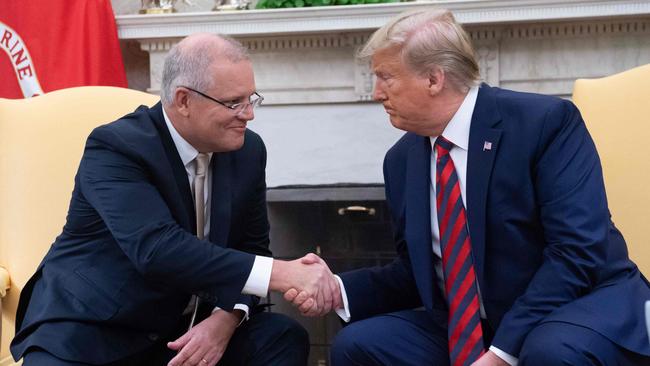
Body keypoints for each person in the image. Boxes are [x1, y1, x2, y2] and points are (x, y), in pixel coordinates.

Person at [287, 8, 650, 366]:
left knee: (548, 351)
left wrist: (501, 352)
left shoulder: (544, 123)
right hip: (481, 320)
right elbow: (417, 272)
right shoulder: (401, 160)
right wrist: (337, 289)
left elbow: (576, 252)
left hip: (580, 305)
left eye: (386, 77)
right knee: (359, 344)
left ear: (433, 79)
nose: (376, 93)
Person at [11, 33, 339, 366]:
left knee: (280, 337)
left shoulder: (247, 151)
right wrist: (285, 275)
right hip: (92, 330)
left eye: (251, 98)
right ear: (183, 100)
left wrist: (226, 320)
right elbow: (157, 249)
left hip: (181, 334)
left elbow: (251, 247)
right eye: (233, 103)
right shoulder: (116, 147)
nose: (248, 114)